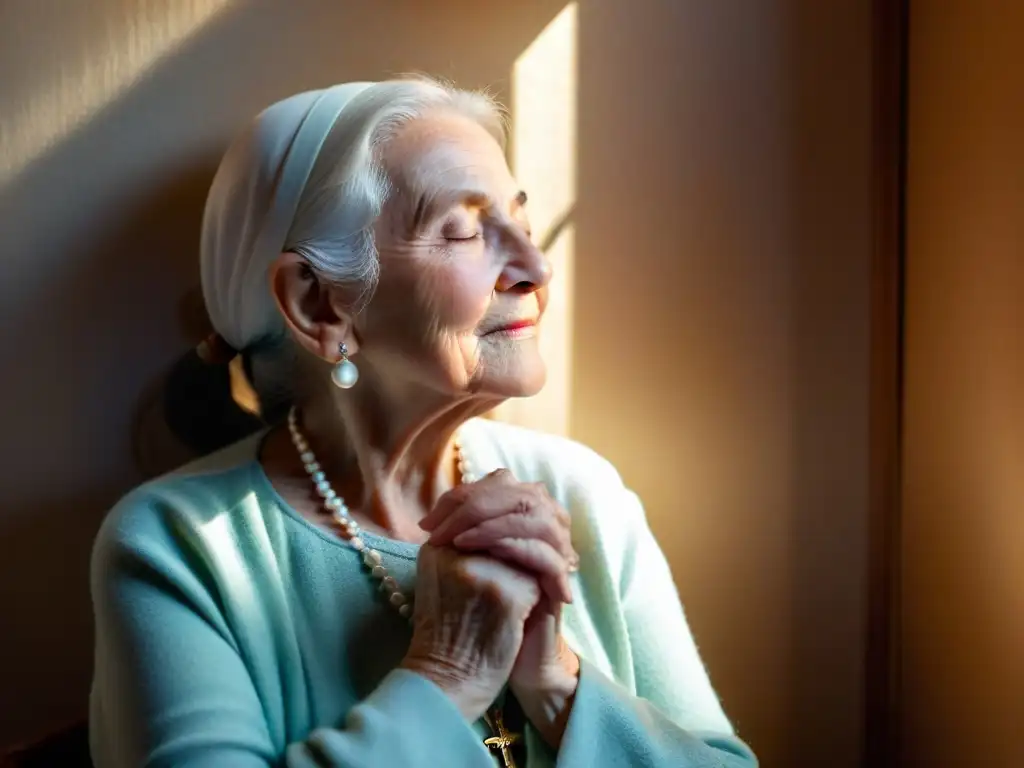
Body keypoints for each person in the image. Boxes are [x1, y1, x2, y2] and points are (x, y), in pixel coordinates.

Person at [88, 77, 758, 768]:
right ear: (320, 306)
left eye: (522, 227)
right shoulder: (178, 546)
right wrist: (448, 672)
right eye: (465, 231)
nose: (535, 265)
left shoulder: (580, 489)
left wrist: (558, 684)